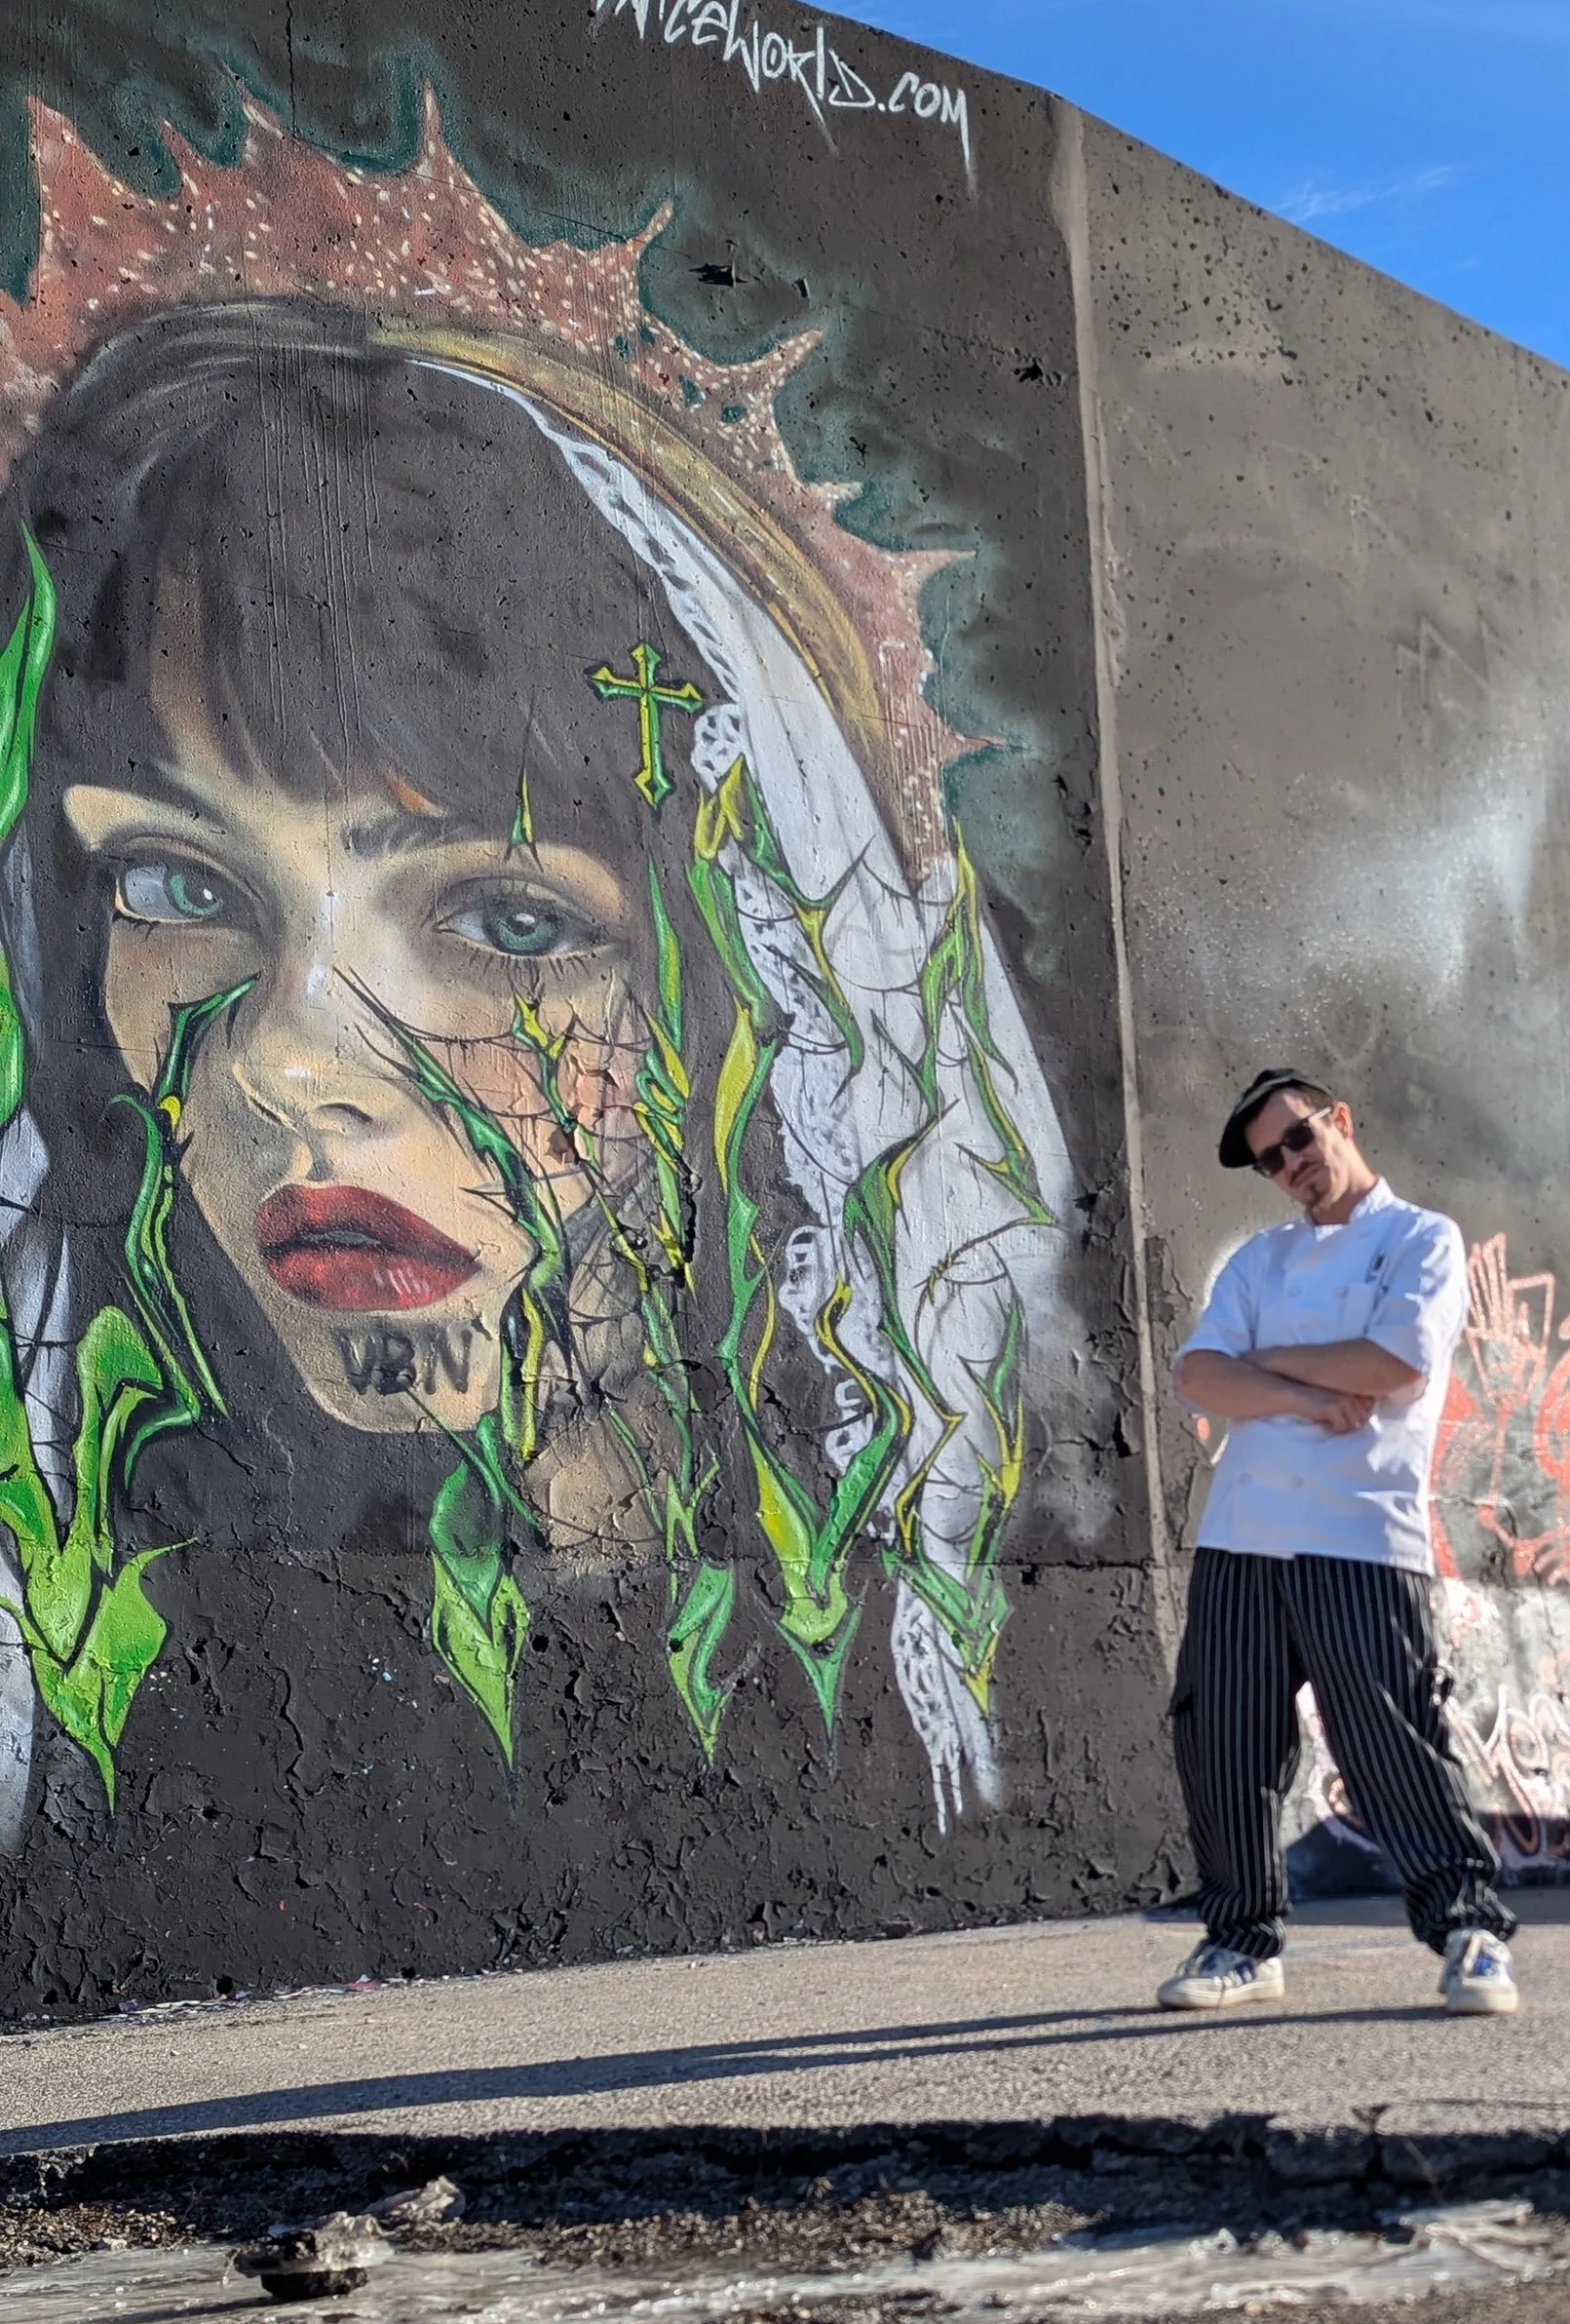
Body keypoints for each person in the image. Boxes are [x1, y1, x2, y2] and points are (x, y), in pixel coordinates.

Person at [0, 296, 1070, 1835]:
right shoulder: (114, 1641)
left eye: (507, 918)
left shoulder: (875, 1699)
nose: (291, 1060)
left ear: (752, 986)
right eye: (176, 888)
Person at [1160, 1065, 1518, 2014]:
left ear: (1340, 1120)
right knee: (1223, 1744)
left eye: (1299, 1139)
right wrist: (1302, 1392)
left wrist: (1264, 1358)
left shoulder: (1418, 1239)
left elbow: (1396, 1364)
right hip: (1242, 1534)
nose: (1290, 1165)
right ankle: (1240, 1942)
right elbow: (1200, 1374)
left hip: (1361, 1531)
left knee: (1391, 1742)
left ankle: (1470, 1929)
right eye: (1272, 1160)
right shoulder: (1257, 1262)